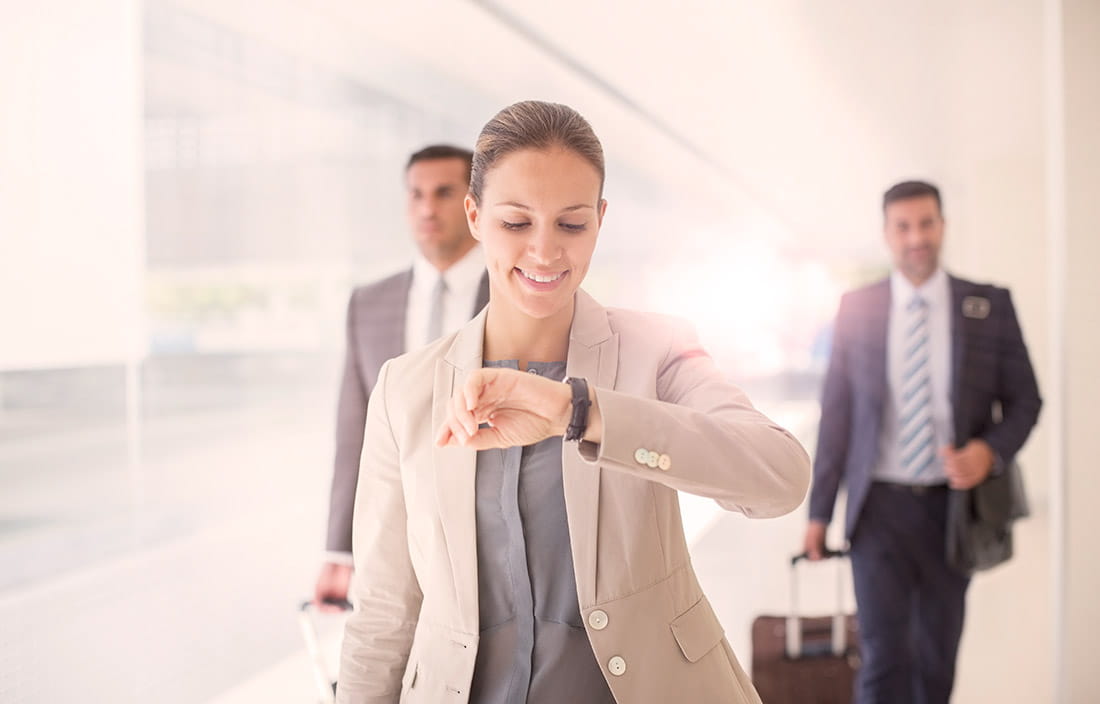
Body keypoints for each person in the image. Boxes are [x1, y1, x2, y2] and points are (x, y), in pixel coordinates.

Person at [335, 100, 811, 703]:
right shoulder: (404, 389)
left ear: (600, 219)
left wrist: (577, 411)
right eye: (515, 223)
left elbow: (779, 477)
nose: (544, 252)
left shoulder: (657, 350)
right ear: (475, 216)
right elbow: (383, 613)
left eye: (571, 224)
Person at [803, 181, 1042, 704]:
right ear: (887, 234)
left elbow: (1027, 401)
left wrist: (989, 451)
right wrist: (818, 514)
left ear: (943, 226)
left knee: (935, 657)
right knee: (883, 657)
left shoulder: (988, 306)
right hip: (878, 509)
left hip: (951, 510)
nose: (917, 238)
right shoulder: (856, 308)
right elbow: (836, 417)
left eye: (926, 224)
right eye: (904, 227)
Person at [314, 145, 489, 611]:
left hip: (491, 534)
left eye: (444, 192)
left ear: (475, 202)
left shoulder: (515, 294)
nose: (427, 208)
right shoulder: (368, 305)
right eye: (416, 194)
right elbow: (353, 433)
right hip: (395, 535)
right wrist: (338, 550)